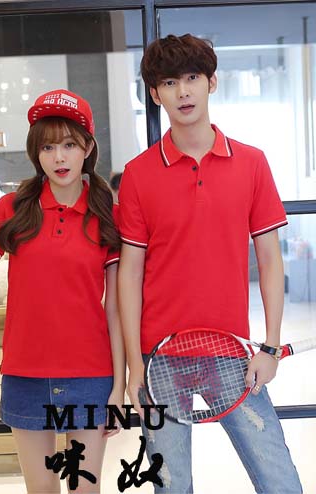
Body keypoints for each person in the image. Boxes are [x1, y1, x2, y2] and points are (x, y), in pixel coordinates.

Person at [117, 34, 302, 493]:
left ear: (212, 83)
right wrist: (135, 365)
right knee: (172, 487)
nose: (183, 91)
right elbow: (129, 274)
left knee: (280, 482)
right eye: (169, 82)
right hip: (159, 361)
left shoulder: (252, 163)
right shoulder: (139, 174)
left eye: (192, 78)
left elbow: (270, 260)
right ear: (155, 94)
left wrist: (270, 346)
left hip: (232, 354)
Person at [0, 89, 125, 494]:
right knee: (42, 491)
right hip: (25, 376)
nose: (59, 157)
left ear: (87, 148)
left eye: (69, 145)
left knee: (85, 490)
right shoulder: (14, 208)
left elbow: (116, 311)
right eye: (48, 147)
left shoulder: (106, 214)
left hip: (90, 375)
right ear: (36, 153)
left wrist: (118, 388)